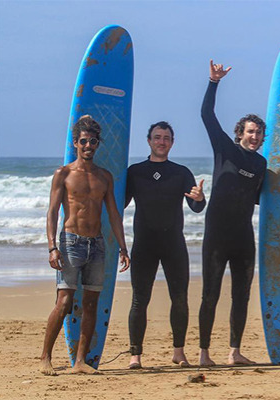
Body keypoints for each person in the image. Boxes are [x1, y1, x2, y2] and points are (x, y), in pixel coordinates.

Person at [40, 115, 130, 375]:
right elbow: (52, 212)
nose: (88, 145)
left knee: (91, 303)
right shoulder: (64, 174)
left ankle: (80, 362)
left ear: (97, 144)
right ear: (75, 143)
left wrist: (123, 247)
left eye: (93, 141)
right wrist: (51, 247)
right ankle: (45, 356)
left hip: (97, 245)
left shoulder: (104, 177)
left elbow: (113, 213)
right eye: (83, 141)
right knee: (65, 301)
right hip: (70, 243)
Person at [199, 60, 267, 366]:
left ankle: (235, 352)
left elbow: (256, 200)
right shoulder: (225, 149)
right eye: (251, 132)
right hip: (217, 235)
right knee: (210, 294)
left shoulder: (261, 165)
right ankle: (203, 353)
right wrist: (214, 83)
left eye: (259, 134)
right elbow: (206, 115)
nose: (255, 137)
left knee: (242, 295)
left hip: (243, 237)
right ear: (241, 132)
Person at [125, 121, 206, 369]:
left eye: (166, 138)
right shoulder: (135, 171)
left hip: (173, 245)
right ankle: (135, 356)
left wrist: (200, 198)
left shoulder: (181, 172)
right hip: (144, 245)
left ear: (172, 142)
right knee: (140, 300)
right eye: (157, 137)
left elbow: (197, 207)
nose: (162, 142)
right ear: (149, 141)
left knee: (179, 298)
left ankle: (179, 352)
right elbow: (119, 204)